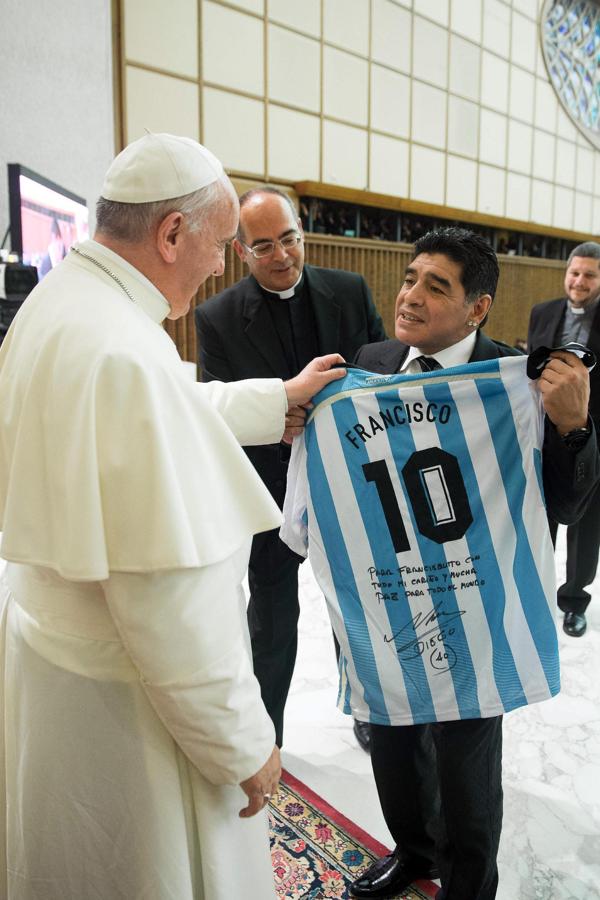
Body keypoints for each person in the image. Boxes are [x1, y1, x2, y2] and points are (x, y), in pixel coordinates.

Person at [0, 132, 346, 900]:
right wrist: (243, 743)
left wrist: (271, 397)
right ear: (171, 233)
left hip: (58, 658)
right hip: (127, 700)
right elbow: (171, 603)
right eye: (221, 243)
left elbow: (155, 412)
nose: (223, 263)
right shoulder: (122, 347)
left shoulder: (64, 301)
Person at [283, 227, 599, 900]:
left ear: (477, 307)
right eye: (408, 278)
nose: (412, 296)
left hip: (475, 603)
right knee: (391, 740)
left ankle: (468, 885)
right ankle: (415, 852)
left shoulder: (518, 379)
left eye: (437, 285)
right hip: (387, 596)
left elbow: (567, 507)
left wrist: (573, 428)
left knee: (466, 766)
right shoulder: (369, 359)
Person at [195, 186, 386, 750]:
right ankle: (266, 732)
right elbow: (219, 407)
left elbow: (380, 372)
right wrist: (270, 418)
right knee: (272, 617)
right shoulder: (218, 316)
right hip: (270, 489)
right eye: (263, 247)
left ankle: (370, 712)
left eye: (289, 240)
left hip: (349, 484)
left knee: (355, 608)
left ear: (302, 234)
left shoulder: (348, 292)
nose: (281, 257)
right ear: (240, 251)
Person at [528, 241, 600, 637]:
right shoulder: (543, 312)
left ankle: (574, 600)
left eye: (589, 274)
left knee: (586, 527)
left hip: (594, 438)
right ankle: (536, 593)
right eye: (575, 272)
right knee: (541, 520)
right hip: (544, 434)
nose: (579, 281)